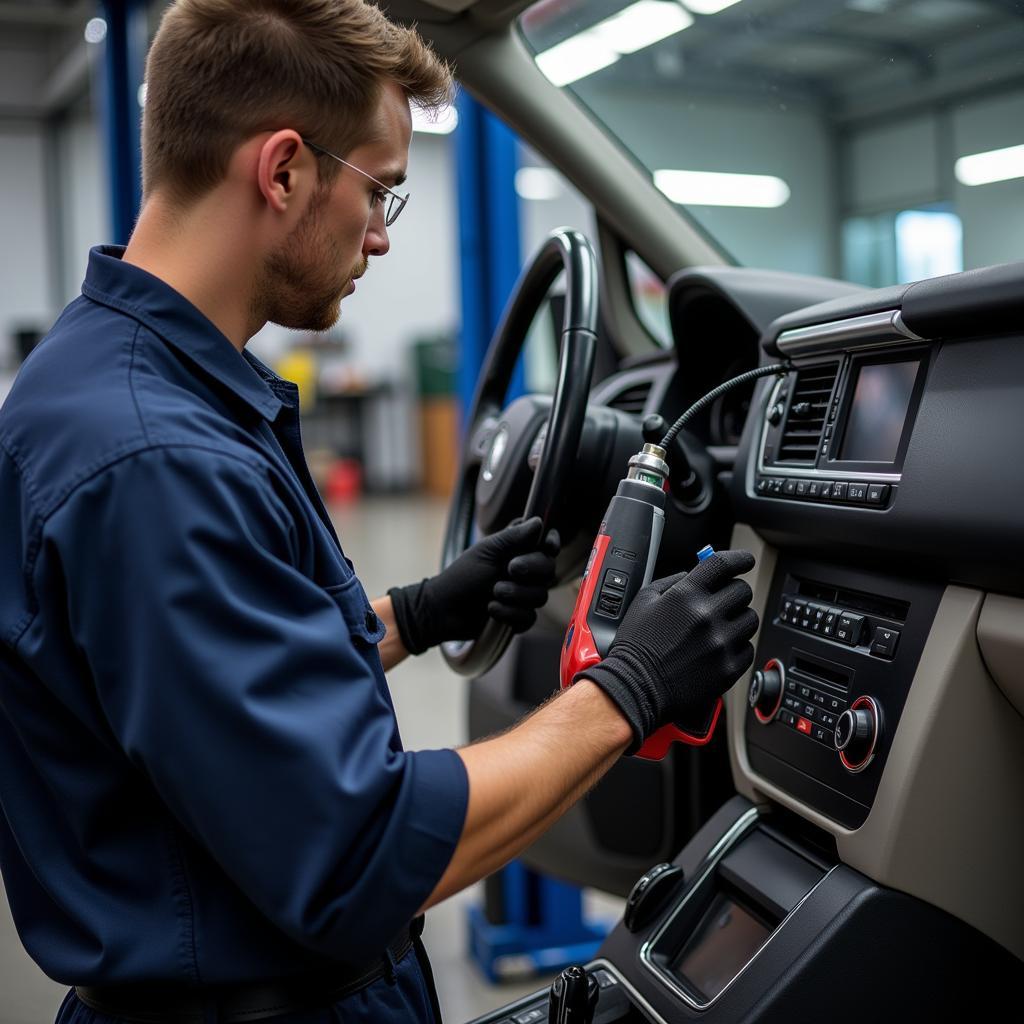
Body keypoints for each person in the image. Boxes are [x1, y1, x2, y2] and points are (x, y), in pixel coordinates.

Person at [0, 1, 759, 1021]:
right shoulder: (156, 458)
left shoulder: (117, 386)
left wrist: (416, 612)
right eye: (381, 193)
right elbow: (354, 852)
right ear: (282, 171)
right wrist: (629, 686)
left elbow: (200, 693)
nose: (380, 238)